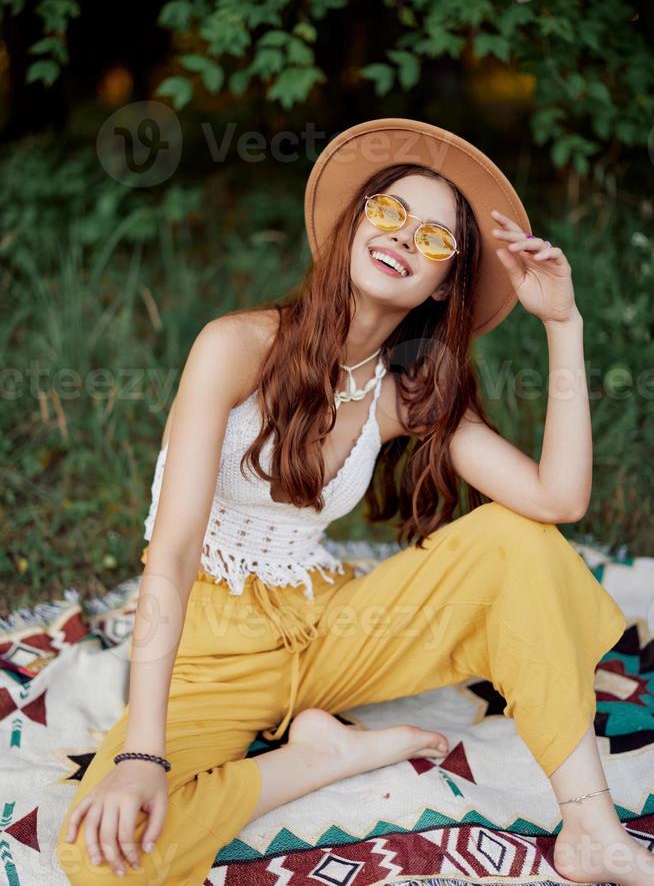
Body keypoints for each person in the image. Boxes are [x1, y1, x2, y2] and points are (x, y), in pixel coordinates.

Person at [56, 119, 650, 885]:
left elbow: (557, 498)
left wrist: (563, 327)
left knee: (517, 540)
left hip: (328, 628)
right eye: (391, 211)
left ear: (444, 283)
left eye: (435, 239)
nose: (405, 237)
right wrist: (142, 753)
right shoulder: (235, 346)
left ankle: (592, 828)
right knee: (97, 856)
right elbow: (169, 552)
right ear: (356, 222)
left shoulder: (405, 391)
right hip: (210, 643)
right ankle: (315, 761)